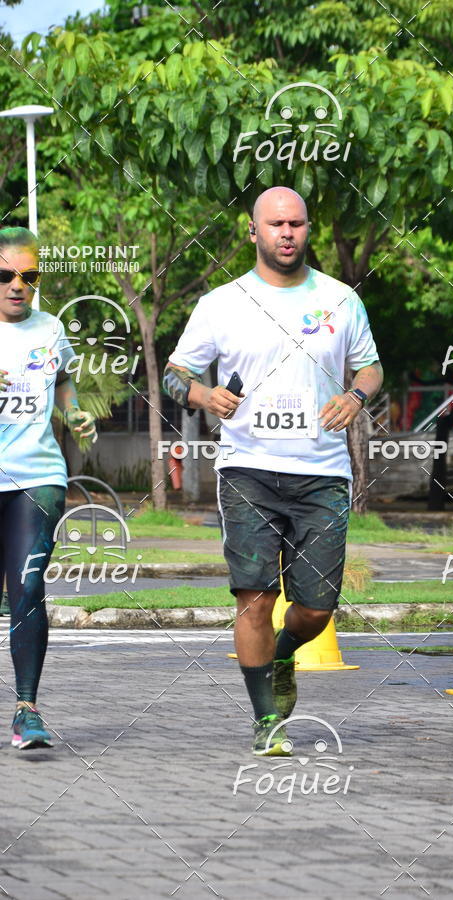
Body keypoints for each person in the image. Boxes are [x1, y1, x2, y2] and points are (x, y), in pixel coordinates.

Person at [164, 187, 383, 756]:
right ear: (253, 232)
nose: (287, 233)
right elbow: (174, 373)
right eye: (276, 224)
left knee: (315, 609)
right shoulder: (221, 303)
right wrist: (203, 395)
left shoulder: (340, 299)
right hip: (248, 470)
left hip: (323, 473)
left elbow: (370, 367)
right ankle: (267, 721)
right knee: (255, 599)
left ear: (307, 230)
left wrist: (356, 397)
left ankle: (283, 653)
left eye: (297, 223)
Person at [0, 227, 96, 749]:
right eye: (5, 275)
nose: (18, 285)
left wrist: (74, 412)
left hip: (36, 476)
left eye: (29, 276)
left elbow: (62, 381)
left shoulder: (51, 328)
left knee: (28, 586)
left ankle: (26, 709)